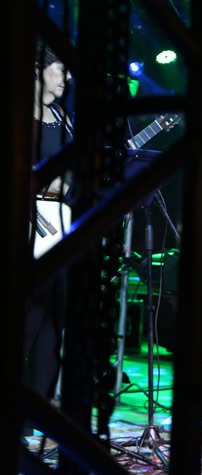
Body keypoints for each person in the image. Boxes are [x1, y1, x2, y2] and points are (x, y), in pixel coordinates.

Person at [25, 42, 73, 439]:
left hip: (61, 225)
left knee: (53, 325)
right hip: (28, 226)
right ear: (37, 69)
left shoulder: (63, 119)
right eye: (61, 70)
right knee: (28, 317)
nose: (67, 79)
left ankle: (33, 416)